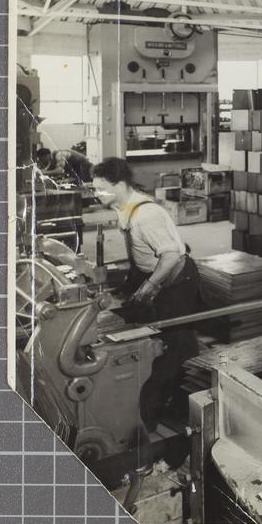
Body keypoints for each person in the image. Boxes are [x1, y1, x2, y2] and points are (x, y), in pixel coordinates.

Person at [91, 157, 201, 432]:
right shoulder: (124, 207)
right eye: (94, 189)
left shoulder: (144, 215)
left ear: (119, 185)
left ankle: (170, 407)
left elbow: (171, 255)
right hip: (151, 273)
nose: (96, 194)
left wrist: (149, 289)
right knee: (152, 333)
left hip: (176, 280)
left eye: (101, 188)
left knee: (175, 344)